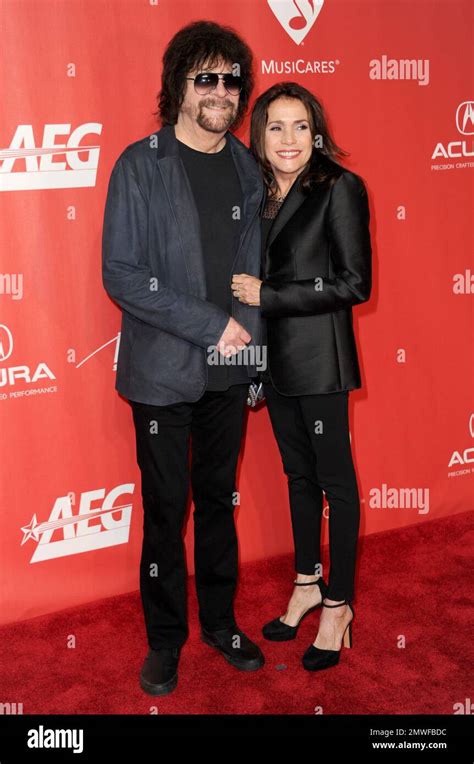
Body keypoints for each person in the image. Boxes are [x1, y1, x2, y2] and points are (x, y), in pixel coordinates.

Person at [102, 20, 266, 696]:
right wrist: (213, 327)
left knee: (220, 504)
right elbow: (123, 273)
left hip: (230, 375)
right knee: (167, 512)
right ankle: (165, 641)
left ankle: (221, 624)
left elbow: (254, 271)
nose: (221, 91)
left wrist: (249, 353)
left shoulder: (248, 167)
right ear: (179, 86)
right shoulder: (140, 163)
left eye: (231, 80)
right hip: (162, 375)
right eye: (207, 78)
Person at [232, 82, 372, 672]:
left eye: (299, 126)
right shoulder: (258, 194)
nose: (289, 140)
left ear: (316, 132)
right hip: (277, 363)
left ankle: (338, 605)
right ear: (259, 136)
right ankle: (306, 583)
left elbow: (352, 283)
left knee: (335, 484)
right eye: (275, 127)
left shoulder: (339, 187)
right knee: (297, 477)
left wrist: (271, 295)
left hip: (321, 361)